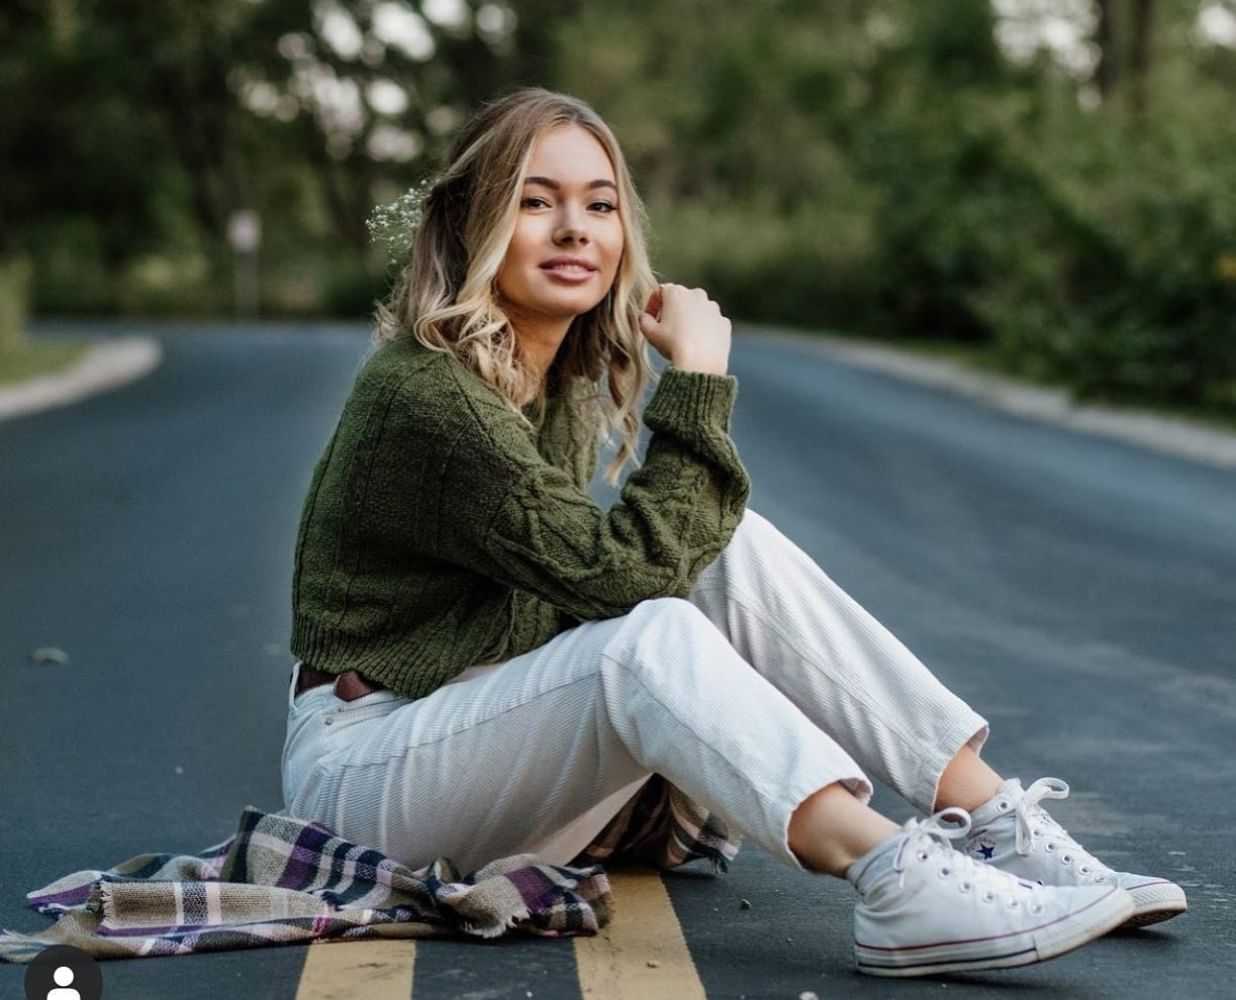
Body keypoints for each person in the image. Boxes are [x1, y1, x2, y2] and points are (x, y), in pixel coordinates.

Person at [280, 87, 1185, 978]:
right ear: (470, 225)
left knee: (726, 545)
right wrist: (700, 380)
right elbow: (625, 581)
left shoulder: (550, 378)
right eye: (536, 202)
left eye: (600, 205)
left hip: (476, 741)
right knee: (648, 634)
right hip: (368, 775)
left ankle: (994, 825)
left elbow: (631, 565)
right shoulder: (432, 398)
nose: (575, 230)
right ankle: (895, 879)